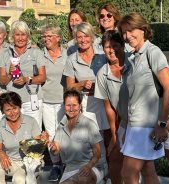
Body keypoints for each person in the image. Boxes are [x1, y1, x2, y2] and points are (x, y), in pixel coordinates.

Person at [118, 12, 169, 184]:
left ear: (142, 29)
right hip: (143, 122)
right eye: (124, 33)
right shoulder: (133, 57)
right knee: (145, 168)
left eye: (131, 30)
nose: (127, 36)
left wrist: (162, 122)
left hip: (163, 118)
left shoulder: (153, 52)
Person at [63, 22, 108, 179]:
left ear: (92, 37)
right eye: (79, 37)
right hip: (84, 102)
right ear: (75, 39)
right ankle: (90, 171)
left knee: (104, 138)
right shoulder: (71, 59)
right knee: (88, 139)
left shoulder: (102, 55)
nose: (82, 40)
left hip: (102, 102)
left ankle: (103, 171)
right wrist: (81, 84)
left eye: (86, 36)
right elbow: (69, 87)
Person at [0, 92, 48, 184]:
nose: (12, 113)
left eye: (15, 108)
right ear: (2, 111)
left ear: (20, 107)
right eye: (8, 110)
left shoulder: (31, 121)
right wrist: (0, 153)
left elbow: (38, 150)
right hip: (11, 162)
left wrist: (43, 141)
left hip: (28, 163)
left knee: (19, 180)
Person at [49, 89, 104, 184]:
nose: (71, 109)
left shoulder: (89, 124)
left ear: (80, 105)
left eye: (74, 105)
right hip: (70, 169)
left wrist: (88, 166)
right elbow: (56, 150)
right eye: (68, 105)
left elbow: (98, 153)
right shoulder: (61, 126)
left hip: (93, 166)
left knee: (83, 179)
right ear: (64, 106)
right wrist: (52, 147)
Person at [0, 20, 46, 128]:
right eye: (17, 35)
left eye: (23, 34)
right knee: (15, 134)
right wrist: (10, 73)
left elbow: (42, 77)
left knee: (34, 135)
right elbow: (2, 81)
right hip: (12, 103)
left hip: (32, 100)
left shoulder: (36, 52)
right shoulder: (5, 53)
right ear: (12, 36)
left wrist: (27, 79)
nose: (20, 38)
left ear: (27, 36)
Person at [94, 30, 125, 184]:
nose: (112, 50)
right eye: (107, 47)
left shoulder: (133, 65)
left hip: (141, 119)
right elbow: (109, 107)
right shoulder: (102, 74)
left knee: (145, 163)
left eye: (115, 45)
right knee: (114, 157)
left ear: (122, 46)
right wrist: (114, 134)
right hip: (122, 121)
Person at [40, 24, 68, 181]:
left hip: (65, 101)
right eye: (44, 36)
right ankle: (56, 165)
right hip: (46, 101)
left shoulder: (68, 54)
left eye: (49, 36)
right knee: (50, 134)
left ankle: (68, 164)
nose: (46, 39)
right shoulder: (40, 54)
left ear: (58, 37)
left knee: (65, 133)